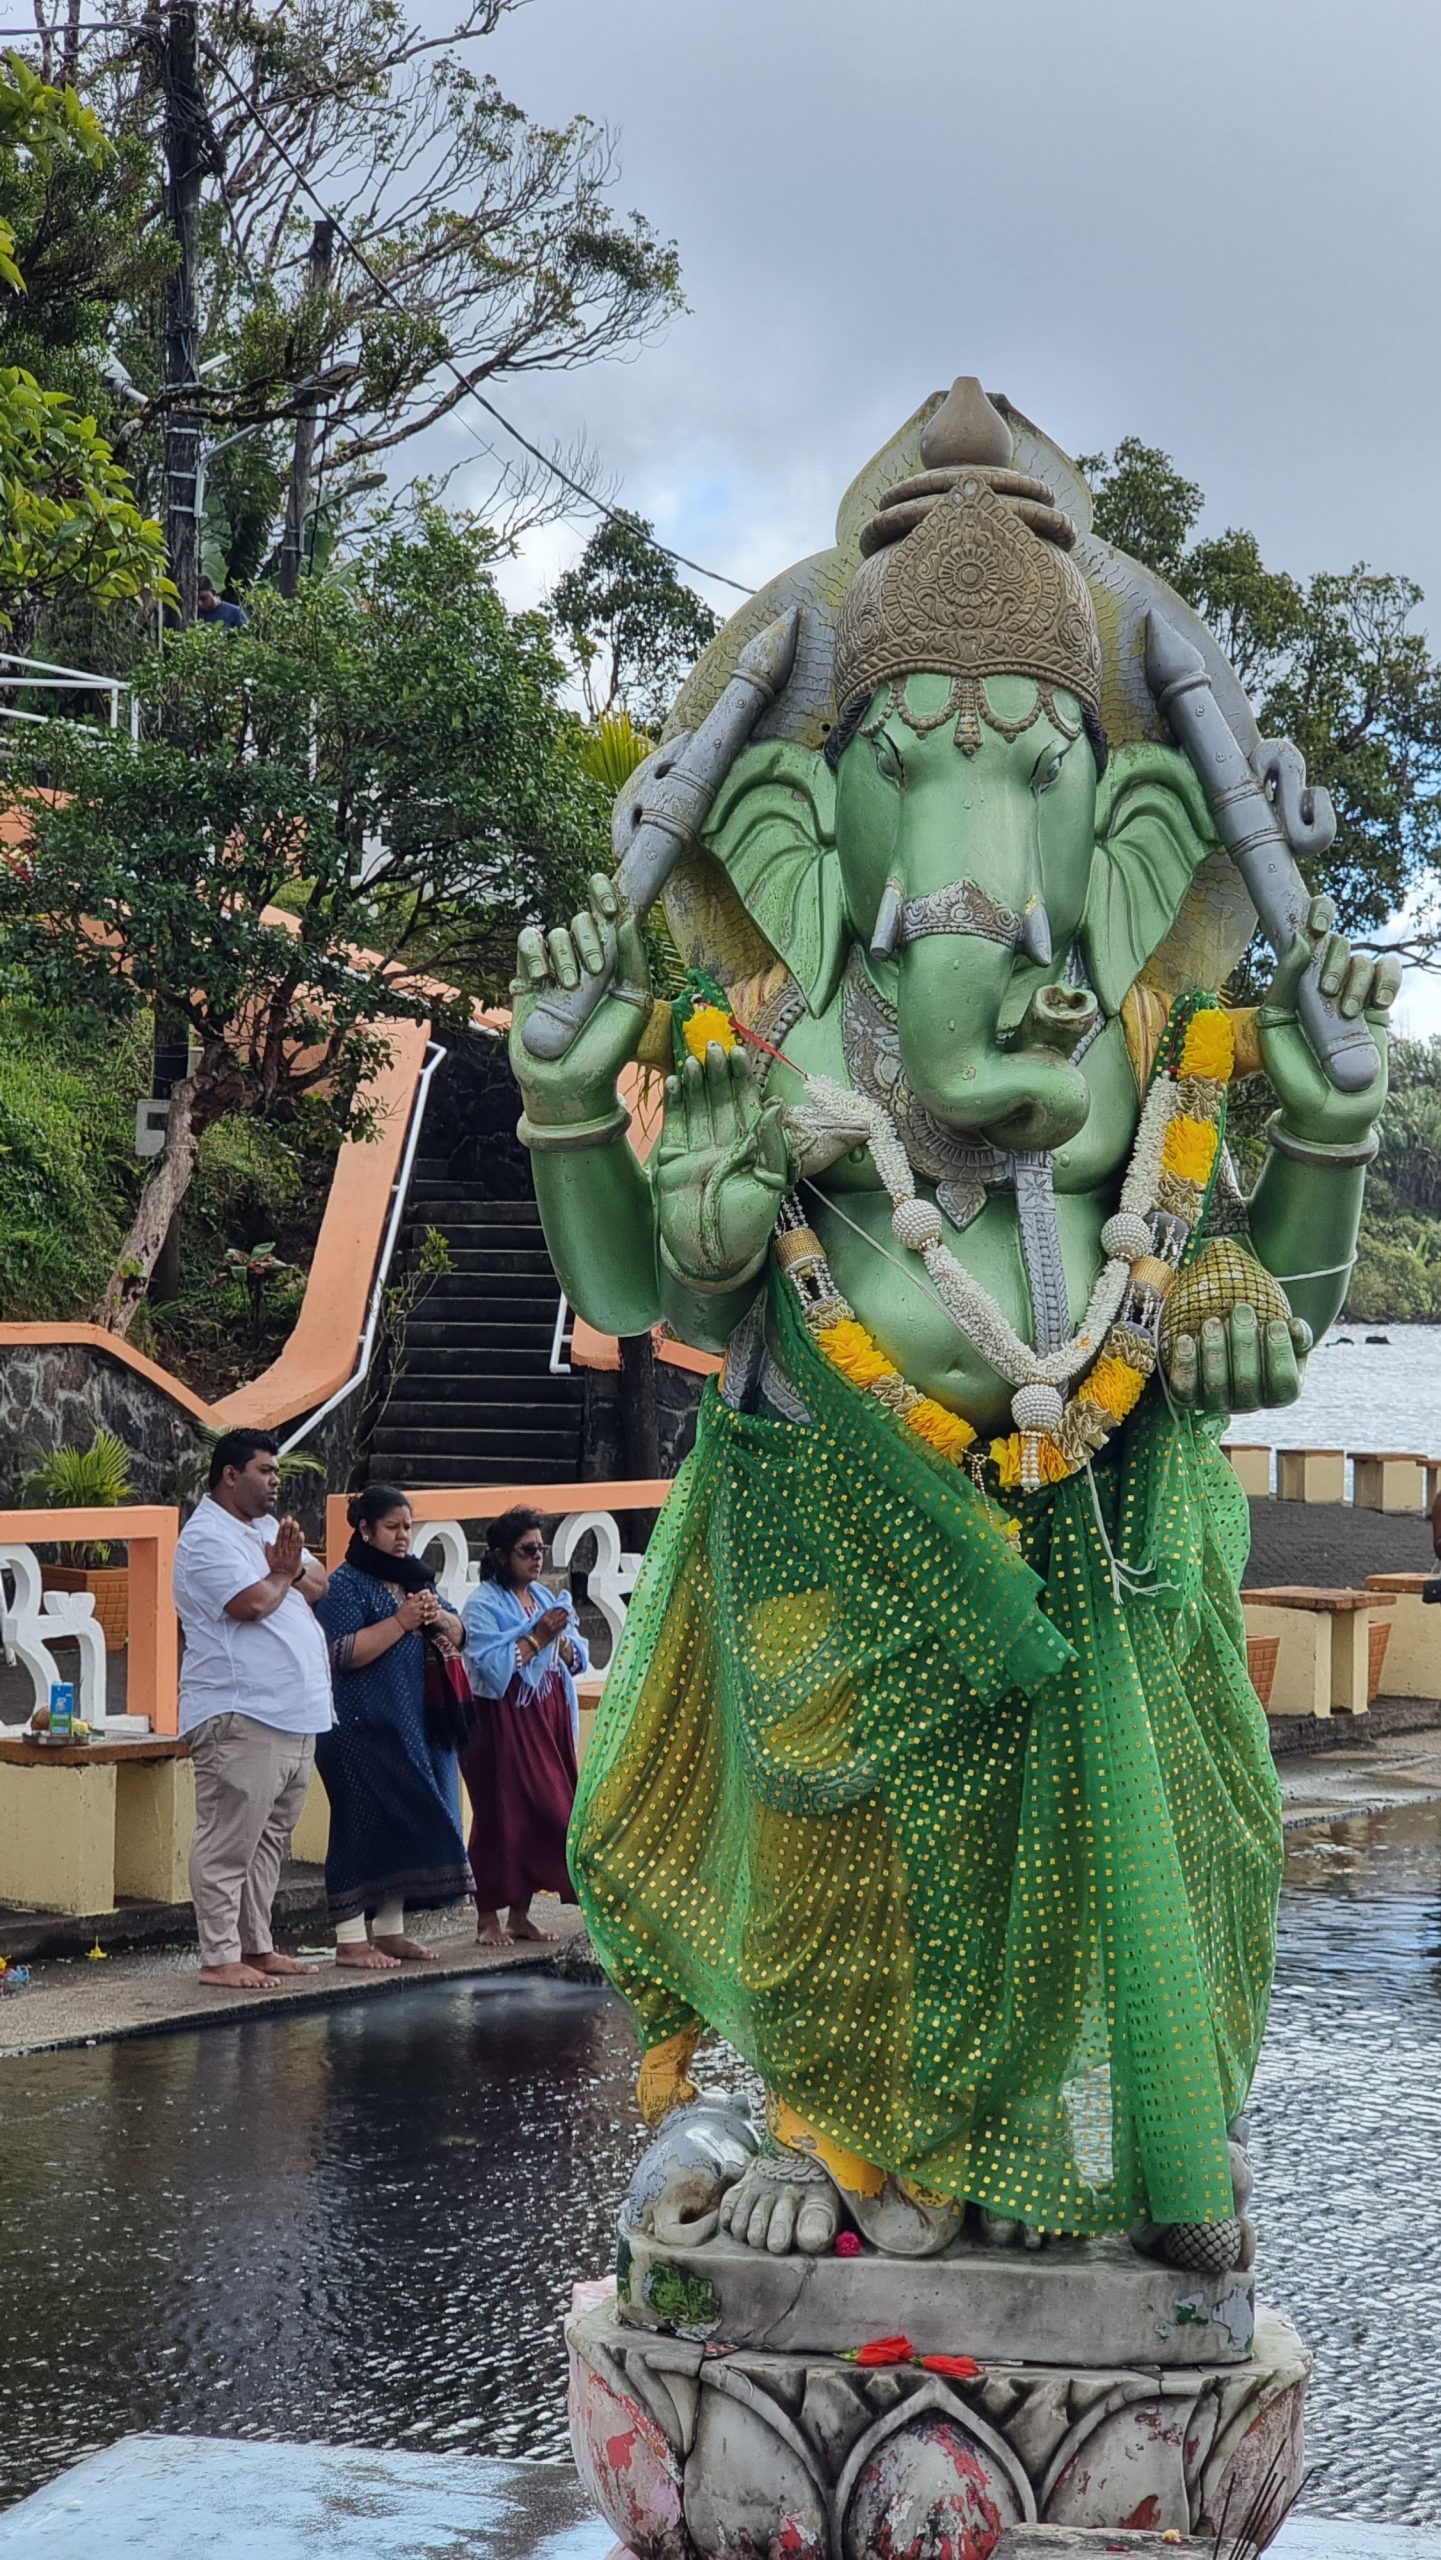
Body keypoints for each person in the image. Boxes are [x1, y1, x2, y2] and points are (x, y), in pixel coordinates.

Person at [173, 1429, 332, 1990]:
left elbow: (320, 1582)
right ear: (230, 1475)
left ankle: (255, 1947)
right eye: (265, 1470)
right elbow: (251, 1604)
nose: (275, 1481)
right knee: (227, 1841)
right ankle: (219, 1957)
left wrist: (289, 1569)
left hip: (294, 1712)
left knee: (268, 1842)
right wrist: (283, 1573)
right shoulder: (205, 1538)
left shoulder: (268, 1531)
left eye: (277, 1472)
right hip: (241, 1712)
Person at [313, 1484, 472, 1967]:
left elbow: (460, 1633)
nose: (403, 1536)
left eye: (408, 1527)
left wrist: (437, 1618)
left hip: (411, 1725)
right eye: (392, 1527)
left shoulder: (415, 1579)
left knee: (403, 1823)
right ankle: (349, 1939)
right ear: (365, 1529)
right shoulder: (345, 1584)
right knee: (358, 1823)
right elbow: (340, 1652)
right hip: (357, 1727)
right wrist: (402, 1621)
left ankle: (388, 1931)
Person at [461, 1507, 588, 1946]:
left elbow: (574, 1657)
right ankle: (486, 1918)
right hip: (503, 1722)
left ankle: (520, 1915)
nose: (537, 1557)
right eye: (527, 1549)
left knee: (546, 1815)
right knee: (503, 1815)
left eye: (541, 1548)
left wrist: (561, 1644)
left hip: (546, 1715)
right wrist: (538, 1638)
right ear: (500, 1556)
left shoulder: (544, 1598)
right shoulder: (482, 1605)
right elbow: (489, 1668)